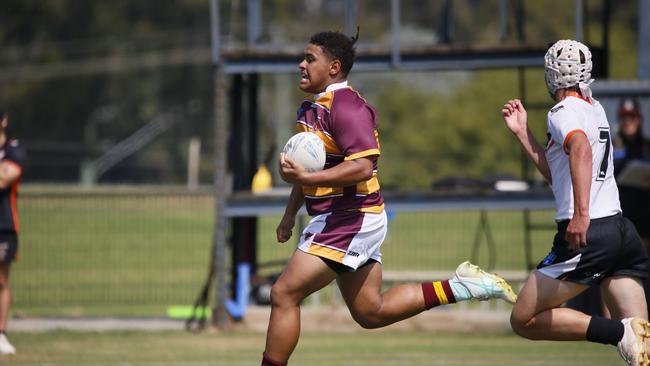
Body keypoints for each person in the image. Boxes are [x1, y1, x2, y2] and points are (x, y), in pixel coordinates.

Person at [260, 30, 517, 366]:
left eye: (310, 59)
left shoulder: (348, 107)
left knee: (283, 293)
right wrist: (290, 213)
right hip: (337, 217)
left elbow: (363, 167)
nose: (301, 64)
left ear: (334, 67)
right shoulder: (310, 109)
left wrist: (306, 179)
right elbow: (308, 171)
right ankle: (461, 287)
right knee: (370, 312)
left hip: (352, 216)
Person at [501, 39, 650, 366]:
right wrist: (523, 134)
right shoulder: (593, 108)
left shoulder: (562, 111)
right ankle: (623, 333)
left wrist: (580, 215)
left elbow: (580, 149)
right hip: (620, 230)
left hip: (590, 232)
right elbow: (562, 175)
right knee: (644, 345)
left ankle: (614, 333)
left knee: (523, 318)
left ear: (551, 74)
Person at [0, 109, 25, 355]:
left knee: (2, 280)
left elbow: (6, 178)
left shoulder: (14, 148)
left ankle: (1, 333)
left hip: (4, 224)